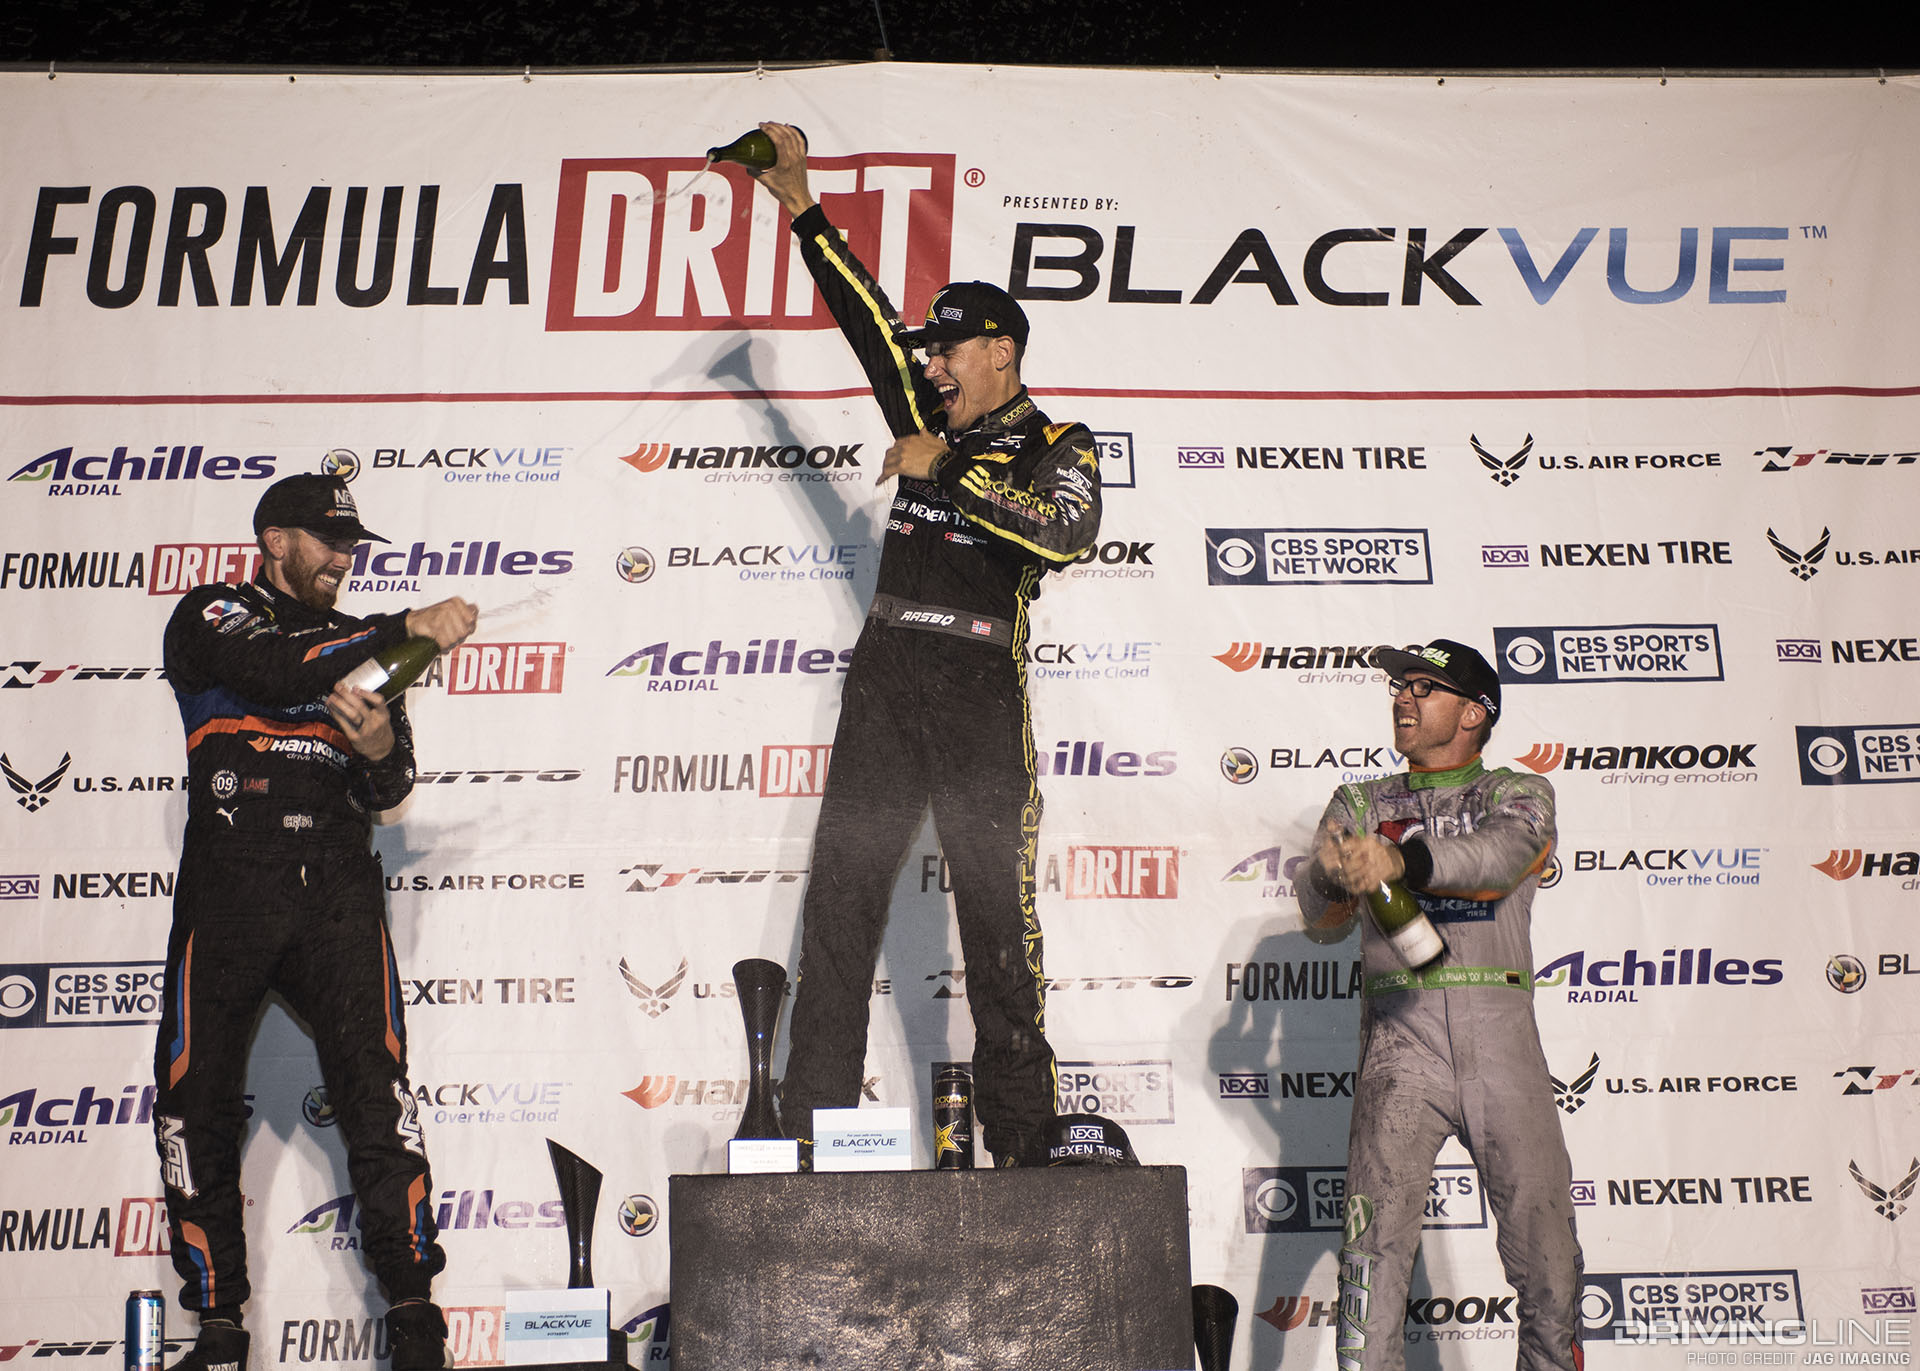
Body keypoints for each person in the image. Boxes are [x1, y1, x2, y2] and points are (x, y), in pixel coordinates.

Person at [751, 122, 1103, 1167]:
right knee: (839, 908)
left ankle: (1025, 1141)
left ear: (1001, 351)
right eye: (930, 352)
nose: (932, 365)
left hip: (978, 685)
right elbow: (867, 327)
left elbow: (1067, 533)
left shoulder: (1057, 443)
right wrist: (802, 206)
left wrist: (944, 469)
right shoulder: (924, 412)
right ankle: (810, 1132)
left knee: (996, 922)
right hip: (887, 676)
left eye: (948, 350)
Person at [154, 474, 477, 1371]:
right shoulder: (213, 613)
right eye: (328, 542)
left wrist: (376, 746)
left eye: (351, 547)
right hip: (230, 885)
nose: (342, 559)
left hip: (335, 888)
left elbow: (390, 785)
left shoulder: (363, 654)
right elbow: (274, 667)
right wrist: (404, 627)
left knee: (378, 1095)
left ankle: (414, 1313)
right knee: (193, 1100)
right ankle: (219, 1324)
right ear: (275, 540)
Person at [1296, 639, 1583, 1371]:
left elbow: (1499, 859)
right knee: (1370, 1264)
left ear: (1474, 712)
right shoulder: (1360, 802)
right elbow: (1320, 918)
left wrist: (1401, 859)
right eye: (1400, 684)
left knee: (1551, 1271)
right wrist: (1328, 873)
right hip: (1402, 1042)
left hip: (1503, 1043)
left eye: (1425, 686)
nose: (1403, 695)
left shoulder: (1519, 793)